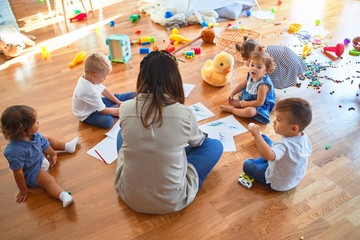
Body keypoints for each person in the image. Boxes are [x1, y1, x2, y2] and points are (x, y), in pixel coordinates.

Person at [114, 50, 224, 214]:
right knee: (215, 146)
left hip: (128, 194)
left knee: (120, 135)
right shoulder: (184, 113)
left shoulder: (125, 108)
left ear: (141, 79)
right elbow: (199, 142)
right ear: (174, 80)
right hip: (173, 199)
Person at [1, 105, 79, 207]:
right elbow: (18, 172)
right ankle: (63, 195)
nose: (38, 122)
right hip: (33, 171)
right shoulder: (14, 151)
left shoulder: (34, 134)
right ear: (24, 131)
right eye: (35, 122)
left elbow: (44, 145)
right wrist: (23, 189)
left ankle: (67, 147)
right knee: (48, 180)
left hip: (39, 156)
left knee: (47, 138)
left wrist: (53, 154)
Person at [242, 98, 312, 191]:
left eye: (278, 119)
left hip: (276, 180)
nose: (274, 122)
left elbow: (268, 156)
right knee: (272, 146)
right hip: (292, 178)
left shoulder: (284, 145)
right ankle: (264, 142)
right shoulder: (303, 137)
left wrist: (256, 135)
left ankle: (261, 139)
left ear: (293, 129)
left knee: (247, 164)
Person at [72, 52, 135, 129]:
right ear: (94, 76)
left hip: (94, 103)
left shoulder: (88, 78)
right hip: (88, 114)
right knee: (108, 122)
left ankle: (137, 94)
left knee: (117, 97)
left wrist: (119, 102)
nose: (105, 79)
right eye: (104, 77)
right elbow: (103, 111)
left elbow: (104, 90)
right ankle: (113, 111)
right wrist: (121, 109)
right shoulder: (89, 91)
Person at [220, 51, 276, 124]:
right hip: (251, 98)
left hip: (261, 105)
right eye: (252, 65)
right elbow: (242, 85)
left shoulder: (263, 85)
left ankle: (232, 110)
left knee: (250, 112)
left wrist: (244, 104)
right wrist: (232, 94)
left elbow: (259, 102)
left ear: (266, 71)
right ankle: (241, 104)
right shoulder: (250, 75)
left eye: (259, 67)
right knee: (237, 95)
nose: (254, 68)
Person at [236, 36, 307, 89]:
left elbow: (264, 70)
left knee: (268, 74)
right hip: (288, 56)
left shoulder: (265, 57)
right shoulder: (261, 50)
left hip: (287, 63)